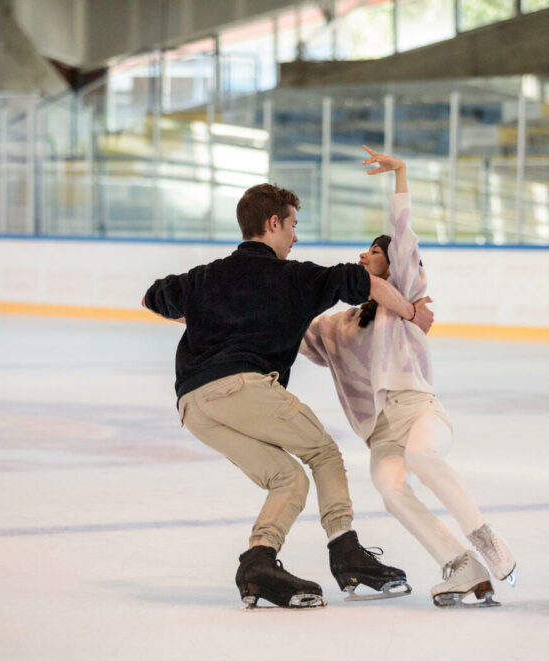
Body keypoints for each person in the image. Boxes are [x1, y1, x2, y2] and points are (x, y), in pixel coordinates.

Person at [141, 182, 434, 609]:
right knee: (325, 454)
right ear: (273, 222)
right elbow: (367, 283)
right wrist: (412, 313)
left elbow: (152, 297)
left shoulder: (204, 276)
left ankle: (258, 562)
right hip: (243, 386)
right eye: (293, 225)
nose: (295, 236)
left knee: (287, 478)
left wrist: (212, 319)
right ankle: (346, 553)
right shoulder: (297, 277)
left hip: (192, 403)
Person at [299, 146, 517, 608]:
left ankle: (486, 540)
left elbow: (403, 236)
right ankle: (460, 565)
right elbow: (290, 334)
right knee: (391, 488)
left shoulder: (407, 302)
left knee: (422, 456)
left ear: (392, 262)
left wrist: (401, 174)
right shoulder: (339, 326)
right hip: (380, 432)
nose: (365, 253)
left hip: (418, 410)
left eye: (375, 251)